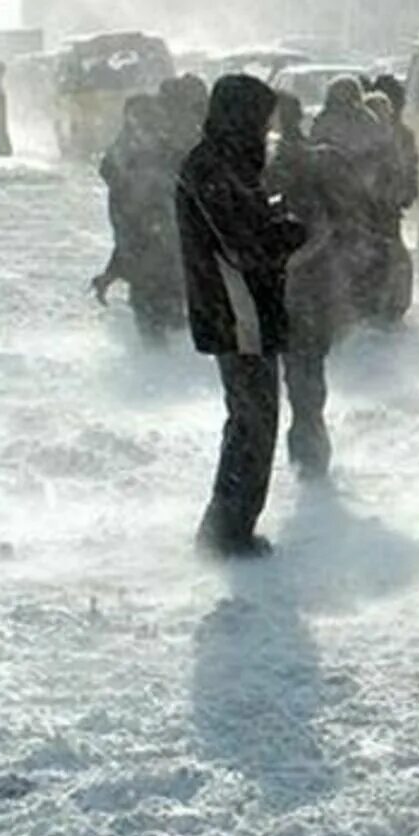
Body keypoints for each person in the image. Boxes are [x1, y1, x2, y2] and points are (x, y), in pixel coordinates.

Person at [175, 74, 307, 558]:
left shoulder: (226, 162)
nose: (269, 130)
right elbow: (241, 244)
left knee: (253, 418)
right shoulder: (213, 165)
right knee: (253, 420)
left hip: (241, 306)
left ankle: (229, 528)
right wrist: (288, 232)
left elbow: (244, 226)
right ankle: (226, 534)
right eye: (263, 119)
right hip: (236, 309)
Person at [267, 91, 335, 478]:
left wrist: (293, 263)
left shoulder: (288, 161)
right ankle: (311, 446)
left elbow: (319, 224)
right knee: (308, 371)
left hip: (298, 283)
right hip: (316, 284)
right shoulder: (308, 154)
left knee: (300, 374)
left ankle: (309, 452)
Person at [92, 93, 187, 338]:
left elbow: (139, 227)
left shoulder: (161, 160)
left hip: (161, 267)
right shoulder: (138, 161)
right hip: (157, 268)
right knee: (166, 333)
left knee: (165, 332)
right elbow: (129, 230)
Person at [311, 76, 393, 326]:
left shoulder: (324, 121)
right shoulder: (369, 121)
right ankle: (365, 304)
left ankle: (337, 304)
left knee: (331, 253)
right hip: (362, 200)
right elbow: (382, 157)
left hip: (331, 200)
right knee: (368, 252)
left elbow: (315, 156)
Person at [368, 73, 419, 324]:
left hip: (386, 211)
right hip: (366, 211)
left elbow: (410, 170)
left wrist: (405, 194)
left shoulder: (403, 135)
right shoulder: (365, 131)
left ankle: (392, 306)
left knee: (396, 259)